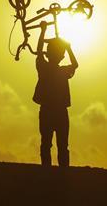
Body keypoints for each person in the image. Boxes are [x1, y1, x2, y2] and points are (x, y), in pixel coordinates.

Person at [33, 21, 78, 167]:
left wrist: (42, 31)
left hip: (47, 110)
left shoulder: (44, 67)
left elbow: (39, 51)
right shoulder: (62, 71)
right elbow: (75, 65)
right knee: (61, 145)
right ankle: (62, 172)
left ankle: (48, 170)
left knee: (47, 143)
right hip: (58, 111)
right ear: (61, 56)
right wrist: (69, 48)